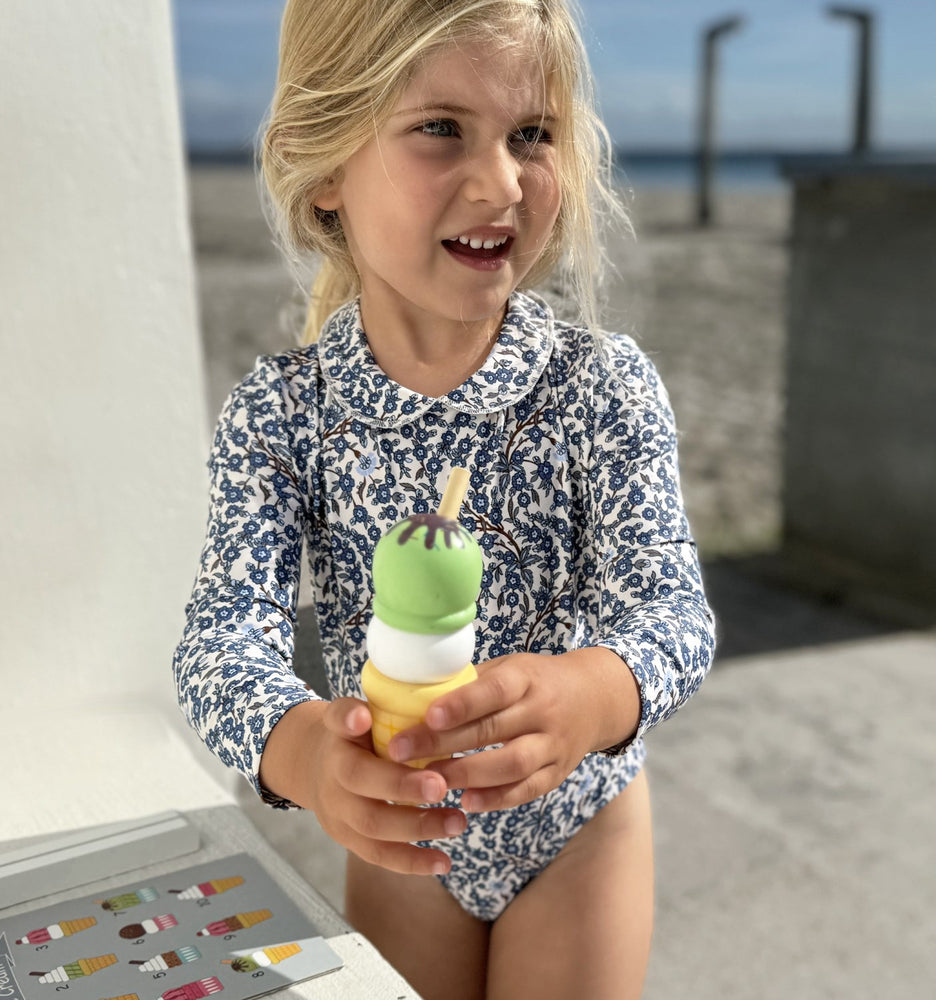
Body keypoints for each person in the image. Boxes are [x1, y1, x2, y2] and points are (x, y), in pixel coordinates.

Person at [174, 1, 715, 997]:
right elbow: (220, 641)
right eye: (439, 128)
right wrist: (305, 753)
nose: (501, 182)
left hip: (580, 832)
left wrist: (593, 694)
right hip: (405, 838)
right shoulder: (284, 414)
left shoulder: (600, 388)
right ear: (321, 163)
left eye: (531, 134)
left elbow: (672, 609)